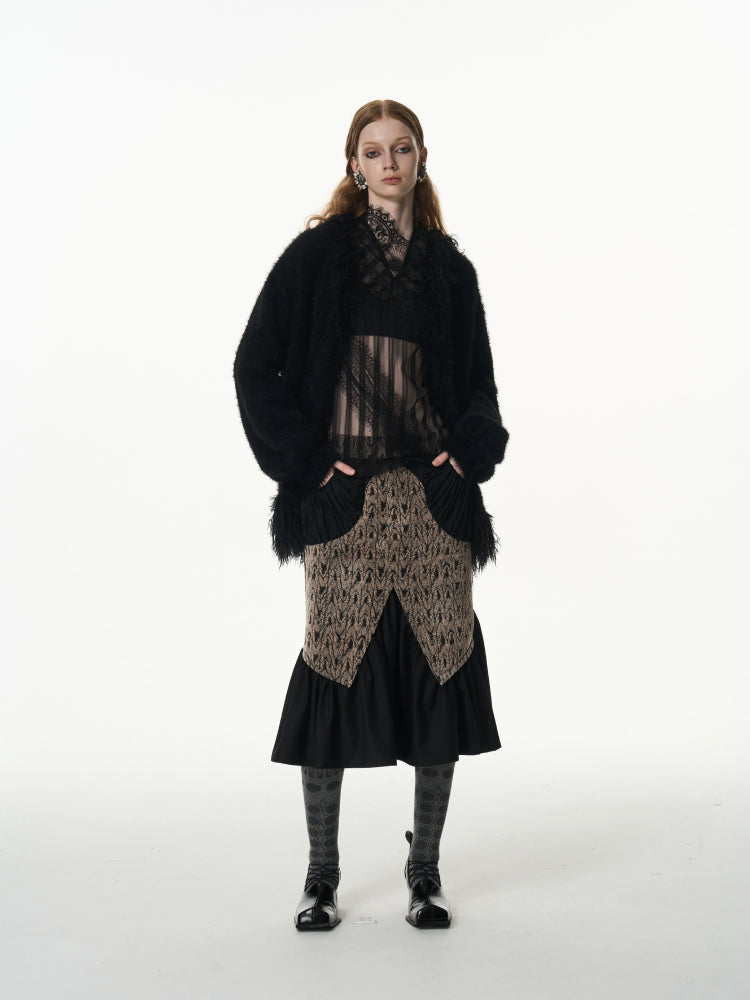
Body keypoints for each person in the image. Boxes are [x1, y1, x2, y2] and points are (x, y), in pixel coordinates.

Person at [233, 99, 510, 931]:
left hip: (432, 506)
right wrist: (312, 466)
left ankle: (425, 870)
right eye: (373, 149)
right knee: (331, 666)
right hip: (345, 506)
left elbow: (480, 389)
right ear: (353, 164)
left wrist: (462, 456)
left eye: (402, 147)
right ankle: (321, 875)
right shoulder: (318, 257)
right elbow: (254, 365)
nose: (389, 162)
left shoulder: (450, 272)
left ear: (422, 158)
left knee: (440, 672)